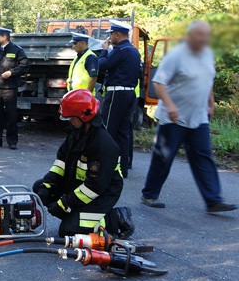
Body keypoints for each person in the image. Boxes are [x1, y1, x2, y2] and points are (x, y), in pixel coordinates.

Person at [141, 21, 236, 213]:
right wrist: (170, 106)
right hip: (173, 118)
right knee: (163, 158)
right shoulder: (176, 56)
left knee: (204, 158)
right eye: (201, 35)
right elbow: (159, 83)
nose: (205, 39)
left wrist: (211, 103)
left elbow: (208, 80)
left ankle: (213, 200)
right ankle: (149, 195)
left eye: (207, 36)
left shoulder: (207, 54)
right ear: (190, 36)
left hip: (198, 117)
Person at [33, 89, 123, 236]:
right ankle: (76, 216)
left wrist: (65, 204)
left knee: (69, 230)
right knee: (39, 188)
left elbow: (94, 188)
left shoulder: (104, 145)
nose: (69, 120)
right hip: (78, 185)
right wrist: (47, 185)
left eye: (71, 117)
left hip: (100, 194)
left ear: (83, 116)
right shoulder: (77, 133)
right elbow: (60, 164)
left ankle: (114, 219)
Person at [97, 20, 142, 177]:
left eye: (111, 35)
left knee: (109, 129)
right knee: (124, 132)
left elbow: (102, 65)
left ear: (117, 34)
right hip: (130, 94)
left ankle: (106, 166)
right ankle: (123, 168)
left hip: (117, 93)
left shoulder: (120, 50)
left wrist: (104, 51)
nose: (110, 38)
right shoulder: (134, 51)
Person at [0, 26, 28, 149]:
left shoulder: (16, 50)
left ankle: (12, 142)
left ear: (4, 37)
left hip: (9, 88)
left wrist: (12, 72)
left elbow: (24, 65)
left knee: (11, 115)